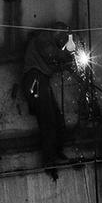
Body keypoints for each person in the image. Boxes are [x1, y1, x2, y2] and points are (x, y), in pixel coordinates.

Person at [21, 24, 74, 171]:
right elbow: (51, 55)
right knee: (48, 120)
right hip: (35, 81)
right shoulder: (44, 38)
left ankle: (56, 151)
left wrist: (66, 64)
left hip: (41, 80)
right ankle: (49, 159)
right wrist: (69, 55)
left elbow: (53, 62)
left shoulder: (48, 41)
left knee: (57, 119)